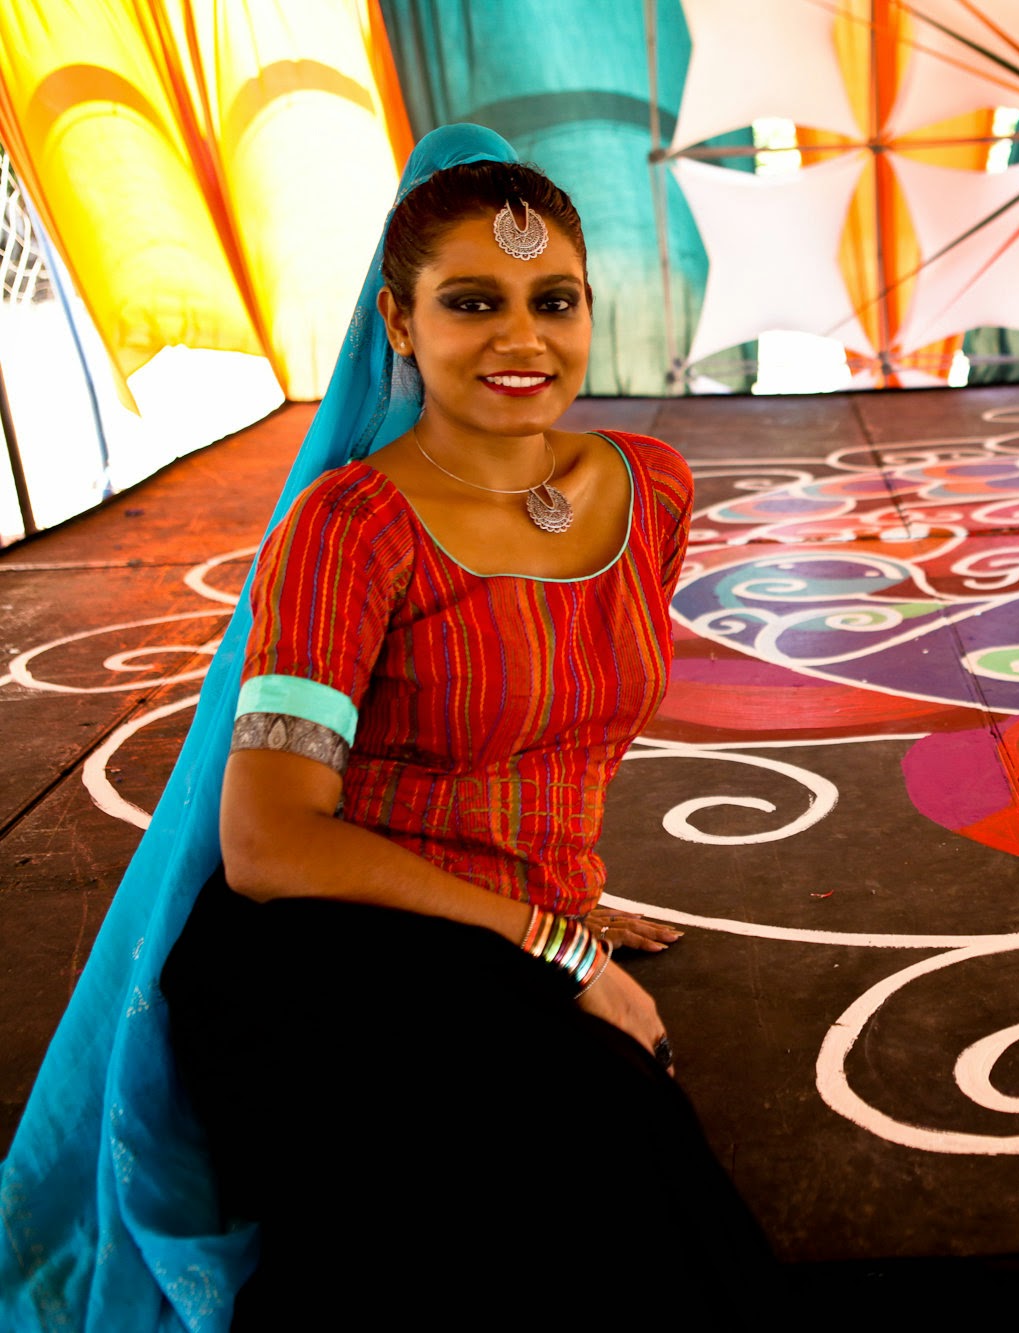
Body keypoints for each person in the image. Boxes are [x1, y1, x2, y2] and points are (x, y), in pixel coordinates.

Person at [0, 125, 768, 1331]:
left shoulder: (651, 485)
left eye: (551, 299)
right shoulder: (351, 528)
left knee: (610, 1180)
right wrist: (556, 946)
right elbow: (269, 847)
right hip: (324, 956)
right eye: (473, 302)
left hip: (507, 926)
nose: (523, 338)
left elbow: (568, 718)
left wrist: (555, 880)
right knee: (568, 1179)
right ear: (400, 324)